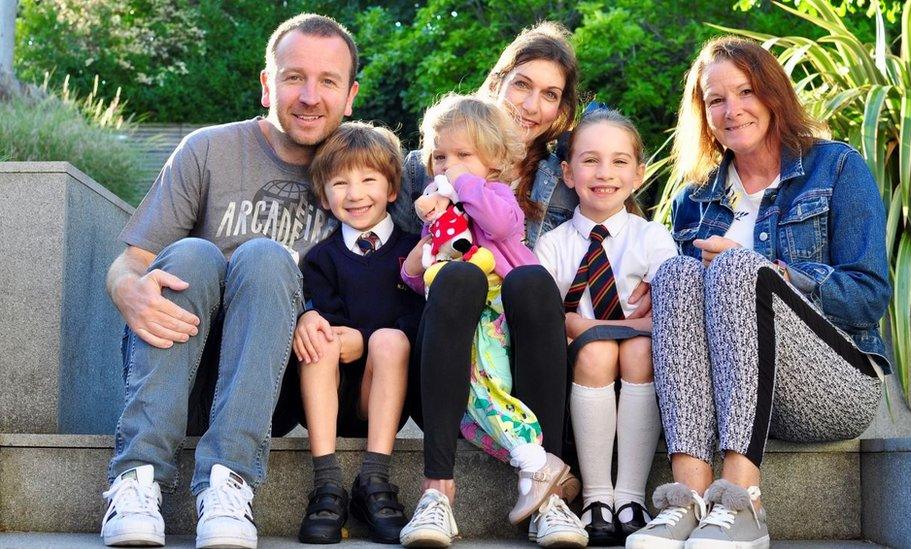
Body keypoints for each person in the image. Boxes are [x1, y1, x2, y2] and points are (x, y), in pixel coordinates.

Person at [99, 13, 358, 549]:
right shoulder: (208, 149)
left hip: (277, 387)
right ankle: (136, 479)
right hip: (181, 374)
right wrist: (128, 290)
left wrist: (311, 312)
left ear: (350, 95)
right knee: (192, 253)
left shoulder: (361, 176)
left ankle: (230, 482)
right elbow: (129, 264)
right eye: (294, 77)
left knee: (265, 257)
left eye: (327, 81)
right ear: (268, 85)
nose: (310, 96)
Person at [626, 36, 891, 549]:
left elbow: (868, 295)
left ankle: (743, 501)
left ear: (772, 94)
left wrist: (774, 272)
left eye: (745, 92)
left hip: (834, 385)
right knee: (677, 276)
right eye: (715, 100)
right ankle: (688, 497)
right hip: (733, 399)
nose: (732, 110)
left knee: (735, 267)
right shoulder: (693, 198)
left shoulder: (836, 168)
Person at [389, 22, 603, 548]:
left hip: (526, 338)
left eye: (550, 95)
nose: (532, 104)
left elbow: (607, 233)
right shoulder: (426, 164)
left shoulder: (564, 174)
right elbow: (404, 263)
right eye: (522, 84)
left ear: (563, 110)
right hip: (448, 337)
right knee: (460, 275)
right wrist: (420, 254)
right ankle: (437, 493)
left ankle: (545, 494)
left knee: (531, 281)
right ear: (498, 81)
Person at [536, 110, 678, 546]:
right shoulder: (552, 244)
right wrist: (590, 331)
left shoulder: (653, 237)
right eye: (590, 160)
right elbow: (542, 319)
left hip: (641, 365)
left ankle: (630, 498)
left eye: (619, 162)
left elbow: (671, 316)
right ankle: (597, 498)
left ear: (638, 174)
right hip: (579, 371)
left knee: (636, 348)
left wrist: (589, 323)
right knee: (598, 350)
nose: (604, 174)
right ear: (568, 171)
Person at [291, 122, 422, 544]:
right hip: (331, 389)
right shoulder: (320, 260)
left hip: (381, 392)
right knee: (319, 337)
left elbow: (416, 320)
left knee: (390, 339)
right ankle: (327, 484)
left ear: (392, 189)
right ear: (325, 196)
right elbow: (329, 319)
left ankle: (375, 480)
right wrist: (328, 331)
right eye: (340, 183)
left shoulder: (412, 251)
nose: (355, 193)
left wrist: (363, 339)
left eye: (369, 179)